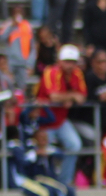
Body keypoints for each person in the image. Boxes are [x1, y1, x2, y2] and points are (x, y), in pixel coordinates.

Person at [35, 43, 86, 184]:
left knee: (75, 145)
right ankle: (43, 181)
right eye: (67, 61)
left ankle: (64, 182)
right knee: (44, 152)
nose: (70, 65)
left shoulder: (77, 73)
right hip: (44, 121)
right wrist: (71, 96)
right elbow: (53, 97)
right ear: (59, 61)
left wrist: (68, 98)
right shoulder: (51, 71)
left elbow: (82, 97)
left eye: (73, 62)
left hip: (61, 120)